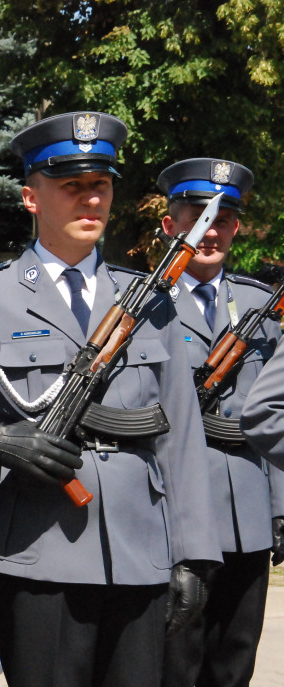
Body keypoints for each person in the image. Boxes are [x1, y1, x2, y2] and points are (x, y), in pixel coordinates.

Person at [0, 112, 222, 686]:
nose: (91, 200)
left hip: (141, 549)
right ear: (31, 197)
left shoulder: (147, 300)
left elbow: (180, 433)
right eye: (72, 186)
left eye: (101, 185)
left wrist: (193, 553)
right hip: (40, 552)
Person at [159, 158, 284, 687]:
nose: (210, 231)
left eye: (224, 219)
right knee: (175, 662)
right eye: (197, 215)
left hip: (249, 514)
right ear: (170, 224)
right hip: (178, 513)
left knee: (235, 660)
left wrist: (280, 506)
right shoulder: (145, 305)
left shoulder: (259, 304)